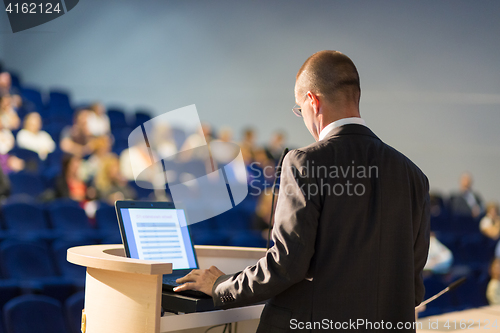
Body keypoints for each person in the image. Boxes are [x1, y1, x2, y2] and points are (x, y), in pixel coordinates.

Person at [175, 50, 430, 332]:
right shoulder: (413, 175)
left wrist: (221, 285)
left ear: (312, 101)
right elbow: (412, 289)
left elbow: (287, 264)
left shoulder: (305, 161)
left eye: (300, 109)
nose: (303, 117)